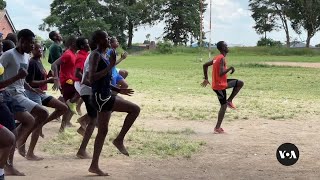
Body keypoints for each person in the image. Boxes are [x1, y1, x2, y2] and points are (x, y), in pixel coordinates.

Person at [88, 30, 140, 176]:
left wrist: (118, 89)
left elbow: (103, 81)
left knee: (102, 131)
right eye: (105, 38)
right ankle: (118, 140)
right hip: (100, 98)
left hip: (105, 94)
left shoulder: (105, 54)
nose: (108, 39)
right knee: (135, 109)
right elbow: (92, 78)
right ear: (99, 41)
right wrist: (110, 65)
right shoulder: (96, 55)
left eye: (109, 37)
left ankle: (94, 165)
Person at [0, 29, 49, 160]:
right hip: (10, 94)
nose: (33, 46)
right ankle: (18, 144)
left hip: (21, 93)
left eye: (34, 43)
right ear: (21, 41)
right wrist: (17, 77)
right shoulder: (8, 55)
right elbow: (8, 78)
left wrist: (32, 89)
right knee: (41, 114)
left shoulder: (26, 57)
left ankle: (17, 143)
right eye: (30, 43)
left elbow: (22, 79)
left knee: (32, 119)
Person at [25, 42, 68, 142]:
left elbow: (39, 77)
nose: (40, 50)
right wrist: (47, 81)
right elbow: (30, 82)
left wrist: (48, 76)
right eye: (37, 48)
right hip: (32, 93)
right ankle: (27, 148)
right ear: (32, 50)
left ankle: (41, 125)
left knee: (63, 107)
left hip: (41, 93)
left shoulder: (38, 61)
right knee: (37, 119)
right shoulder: (32, 63)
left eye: (40, 48)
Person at [201, 41, 244, 134]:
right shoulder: (221, 59)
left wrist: (206, 78)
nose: (227, 47)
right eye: (226, 46)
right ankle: (217, 128)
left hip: (222, 83)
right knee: (223, 106)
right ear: (222, 48)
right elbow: (220, 73)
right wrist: (230, 68)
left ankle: (230, 100)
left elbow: (205, 65)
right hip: (219, 86)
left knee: (240, 83)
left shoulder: (217, 58)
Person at [0, 38, 25, 175]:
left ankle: (5, 168)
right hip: (5, 97)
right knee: (10, 137)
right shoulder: (7, 56)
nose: (1, 43)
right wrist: (17, 77)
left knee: (10, 137)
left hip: (5, 97)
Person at [51, 36, 79, 132]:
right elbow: (54, 64)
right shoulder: (67, 54)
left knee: (72, 103)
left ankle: (65, 123)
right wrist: (56, 79)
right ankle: (62, 127)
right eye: (77, 42)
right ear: (72, 44)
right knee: (70, 103)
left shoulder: (75, 54)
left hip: (72, 81)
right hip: (67, 81)